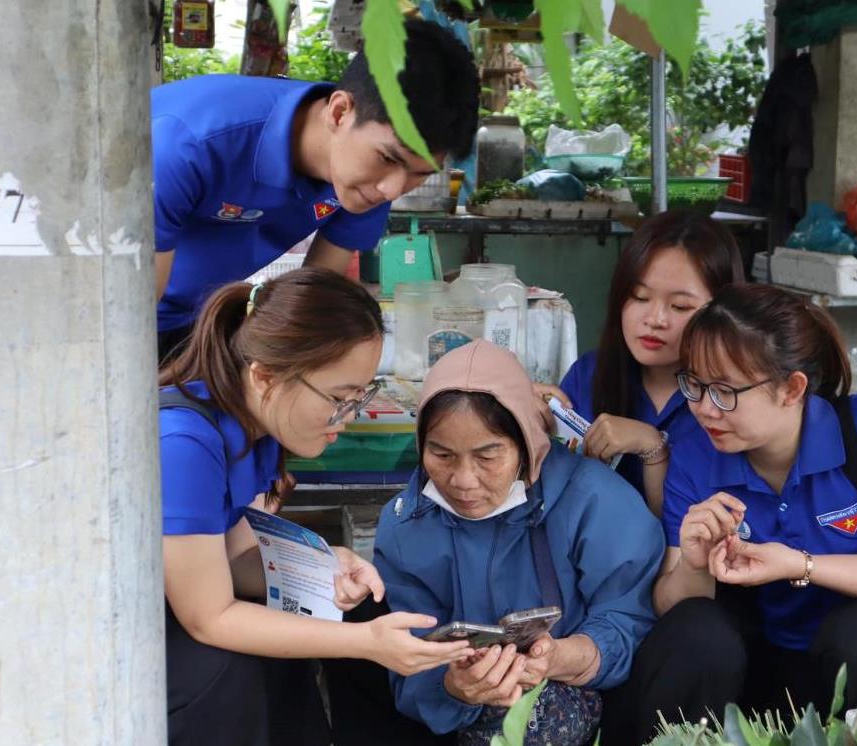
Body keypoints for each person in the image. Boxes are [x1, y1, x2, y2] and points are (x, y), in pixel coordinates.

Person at [601, 284, 857, 745]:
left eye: (725, 391)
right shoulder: (694, 452)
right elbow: (670, 605)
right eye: (695, 385)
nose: (705, 408)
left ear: (792, 388)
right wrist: (693, 562)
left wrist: (799, 564)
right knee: (695, 632)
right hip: (784, 658)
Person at [158, 267, 472, 746]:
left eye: (360, 395)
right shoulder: (184, 444)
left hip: (184, 610)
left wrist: (322, 565)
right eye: (339, 398)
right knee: (236, 669)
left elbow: (237, 560)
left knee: (349, 611)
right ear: (265, 376)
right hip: (120, 633)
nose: (348, 417)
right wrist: (366, 645)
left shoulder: (256, 423)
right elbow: (209, 616)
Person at [374, 340, 665, 744]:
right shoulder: (406, 525)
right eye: (441, 455)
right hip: (463, 718)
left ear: (527, 445)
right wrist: (454, 686)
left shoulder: (596, 501)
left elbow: (629, 618)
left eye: (487, 456)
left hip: (585, 698)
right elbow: (410, 658)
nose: (463, 480)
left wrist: (562, 657)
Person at [152, 19, 479, 363]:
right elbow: (128, 309)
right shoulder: (187, 145)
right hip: (127, 313)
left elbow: (313, 302)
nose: (392, 189)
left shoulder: (370, 178)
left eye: (420, 173)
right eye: (387, 158)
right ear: (339, 112)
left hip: (207, 323)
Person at [536, 210, 744, 515]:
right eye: (639, 297)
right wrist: (524, 417)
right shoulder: (589, 375)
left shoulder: (732, 402)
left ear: (723, 311)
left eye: (680, 306)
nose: (655, 319)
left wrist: (652, 446)